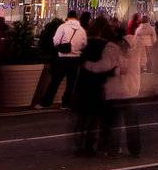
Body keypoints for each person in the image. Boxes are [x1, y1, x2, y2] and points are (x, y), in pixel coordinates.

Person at [88, 22, 143, 157]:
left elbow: (104, 66)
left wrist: (87, 65)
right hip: (133, 89)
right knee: (132, 123)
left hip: (115, 90)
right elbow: (143, 63)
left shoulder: (111, 48)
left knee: (112, 122)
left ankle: (112, 149)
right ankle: (135, 149)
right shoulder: (136, 47)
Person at [73, 23, 113, 156]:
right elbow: (107, 66)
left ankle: (80, 144)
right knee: (94, 118)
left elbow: (79, 64)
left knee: (83, 117)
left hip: (84, 84)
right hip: (98, 84)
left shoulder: (85, 46)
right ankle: (90, 145)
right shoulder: (105, 46)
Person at [39, 10, 88, 109]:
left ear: (68, 17)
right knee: (71, 83)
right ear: (76, 18)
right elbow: (84, 44)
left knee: (55, 81)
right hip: (75, 59)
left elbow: (56, 41)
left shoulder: (63, 27)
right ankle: (66, 103)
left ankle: (46, 103)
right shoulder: (82, 30)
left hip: (62, 58)